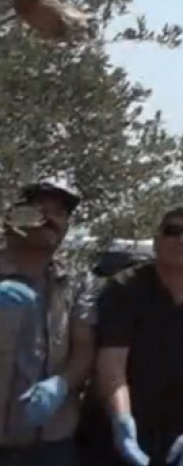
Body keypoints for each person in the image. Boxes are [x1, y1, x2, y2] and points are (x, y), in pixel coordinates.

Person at [91, 202, 183, 466]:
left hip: (181, 438)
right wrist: (122, 422)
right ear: (157, 240)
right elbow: (112, 365)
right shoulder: (123, 287)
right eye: (173, 231)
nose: (182, 239)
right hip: (112, 433)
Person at [0, 180, 94, 466]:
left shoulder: (77, 281)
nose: (51, 219)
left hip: (53, 443)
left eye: (61, 213)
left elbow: (83, 350)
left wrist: (61, 384)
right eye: (41, 209)